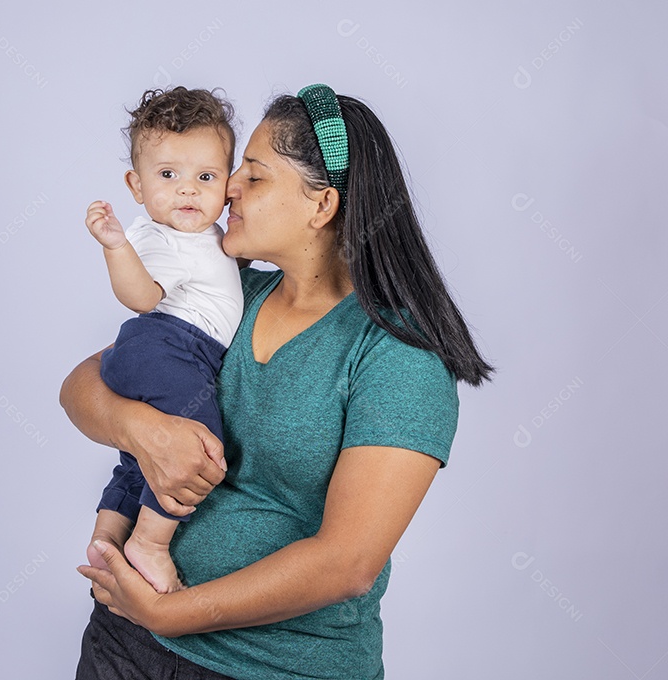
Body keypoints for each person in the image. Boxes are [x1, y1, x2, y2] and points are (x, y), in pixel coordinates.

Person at [61, 83, 496, 680]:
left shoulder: (397, 354)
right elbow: (82, 385)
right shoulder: (232, 296)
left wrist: (172, 613)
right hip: (126, 642)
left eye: (255, 176)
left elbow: (346, 564)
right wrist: (143, 429)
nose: (228, 186)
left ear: (322, 206)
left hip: (272, 666)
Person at [83, 86, 244, 594]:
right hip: (169, 346)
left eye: (205, 177)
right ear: (137, 184)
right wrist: (116, 248)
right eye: (168, 175)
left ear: (228, 184)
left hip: (162, 350)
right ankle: (150, 544)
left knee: (138, 458)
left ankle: (107, 536)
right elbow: (143, 297)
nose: (187, 191)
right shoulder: (161, 238)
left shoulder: (206, 236)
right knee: (198, 441)